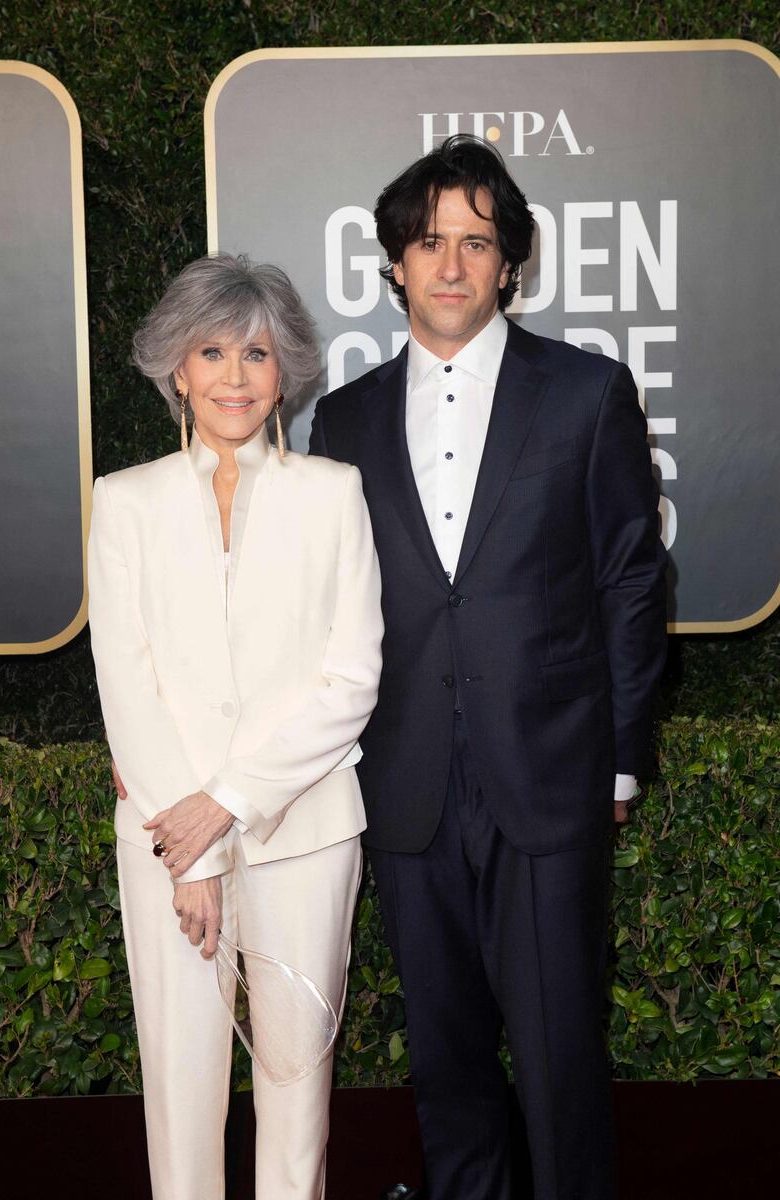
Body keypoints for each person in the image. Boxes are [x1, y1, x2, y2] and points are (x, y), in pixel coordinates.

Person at [309, 135, 667, 1200]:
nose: (452, 266)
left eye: (475, 242)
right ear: (393, 265)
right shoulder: (344, 417)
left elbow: (630, 582)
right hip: (407, 786)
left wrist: (616, 763)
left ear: (510, 262)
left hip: (551, 781)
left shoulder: (585, 394)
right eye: (429, 244)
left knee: (560, 1062)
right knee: (445, 1064)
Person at [88, 253, 383, 1200]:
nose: (233, 376)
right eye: (211, 352)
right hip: (167, 844)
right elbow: (125, 680)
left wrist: (228, 804)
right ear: (177, 367)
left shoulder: (333, 492)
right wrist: (197, 850)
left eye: (255, 354)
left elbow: (352, 678)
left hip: (305, 832)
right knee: (180, 1084)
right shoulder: (124, 502)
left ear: (283, 370)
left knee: (298, 1083)